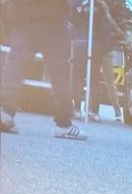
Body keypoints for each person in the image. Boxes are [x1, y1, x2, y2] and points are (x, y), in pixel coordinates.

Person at [0, 0, 87, 139]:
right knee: (59, 70)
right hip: (52, 15)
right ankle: (63, 124)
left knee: (17, 59)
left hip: (21, 12)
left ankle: (5, 111)